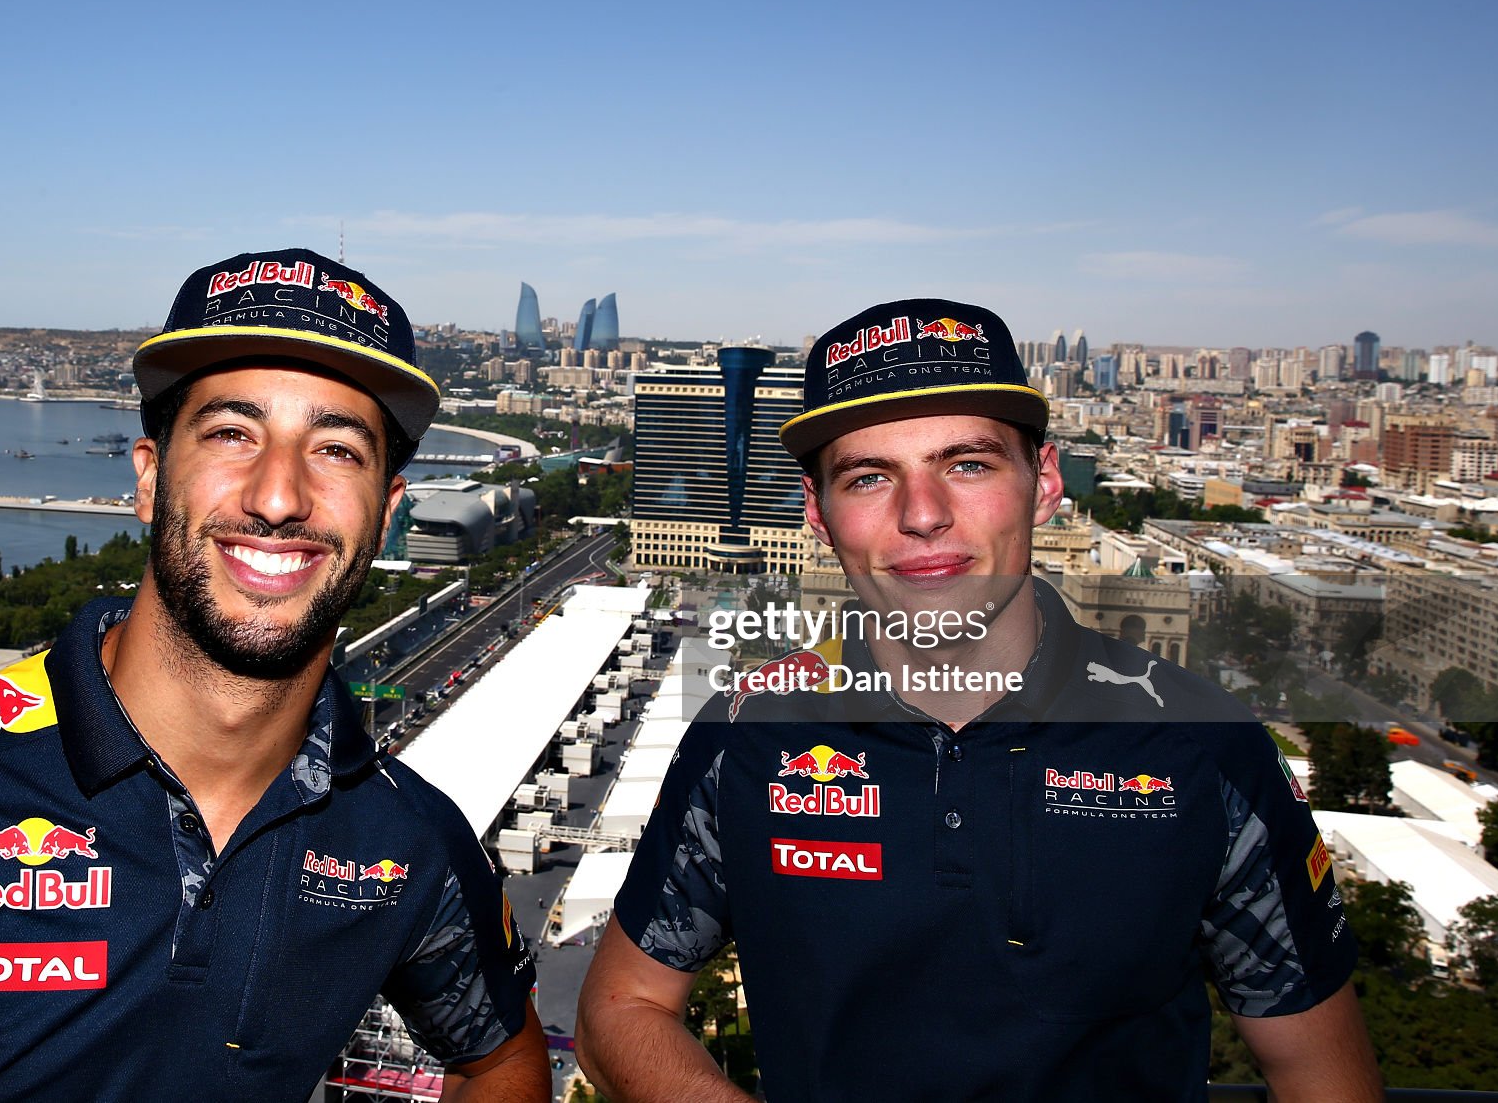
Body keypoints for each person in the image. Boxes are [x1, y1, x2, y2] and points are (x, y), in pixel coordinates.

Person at [0, 249, 548, 1103]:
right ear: (150, 479)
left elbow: (504, 1053)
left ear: (388, 512)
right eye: (233, 432)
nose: (279, 496)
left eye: (337, 448)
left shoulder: (408, 840)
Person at [576, 298, 1381, 1102]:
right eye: (868, 476)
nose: (922, 514)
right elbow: (622, 1008)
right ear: (819, 514)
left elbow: (1321, 1074)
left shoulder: (1207, 749)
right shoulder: (745, 736)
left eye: (968, 464)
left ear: (1045, 481)